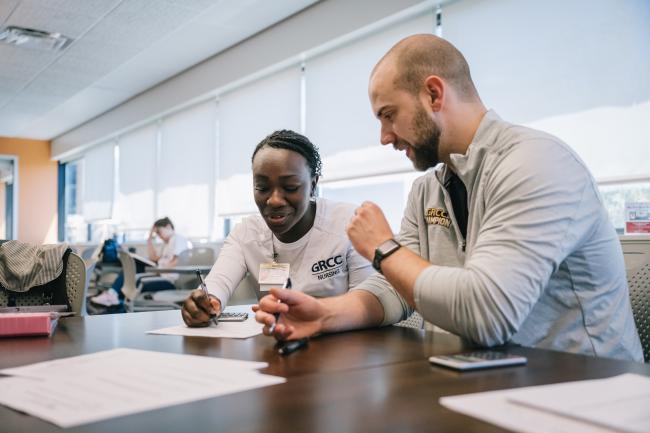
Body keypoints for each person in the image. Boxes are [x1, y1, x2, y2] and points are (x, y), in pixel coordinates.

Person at [255, 34, 644, 361]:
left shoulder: (537, 162)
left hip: (583, 392)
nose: (384, 137)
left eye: (389, 115)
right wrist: (325, 314)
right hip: (488, 381)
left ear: (434, 94)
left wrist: (383, 248)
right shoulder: (429, 189)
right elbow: (397, 287)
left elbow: (487, 313)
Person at [181, 130, 374, 326]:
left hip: (342, 343)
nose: (274, 200)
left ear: (313, 184)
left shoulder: (349, 223)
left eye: (290, 187)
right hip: (278, 344)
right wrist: (205, 303)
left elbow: (369, 302)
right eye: (262, 188)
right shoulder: (246, 234)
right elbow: (218, 283)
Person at [91, 217, 191, 307]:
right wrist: (149, 238)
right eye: (157, 234)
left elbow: (175, 262)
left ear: (168, 226)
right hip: (160, 275)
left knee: (134, 281)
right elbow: (153, 258)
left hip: (168, 281)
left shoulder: (178, 239)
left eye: (159, 232)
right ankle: (112, 295)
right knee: (133, 266)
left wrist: (158, 270)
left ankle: (112, 295)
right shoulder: (166, 244)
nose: (159, 236)